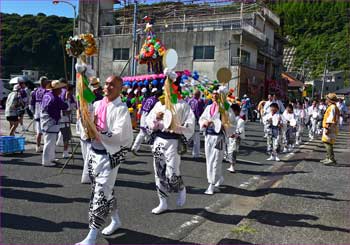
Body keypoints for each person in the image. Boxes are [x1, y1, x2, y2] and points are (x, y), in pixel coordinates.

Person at [76, 76, 133, 245]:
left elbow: (119, 135)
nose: (108, 87)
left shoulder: (121, 109)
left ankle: (92, 235)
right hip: (94, 153)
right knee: (104, 190)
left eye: (113, 85)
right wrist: (83, 119)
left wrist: (97, 130)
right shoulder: (97, 104)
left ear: (120, 89)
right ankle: (115, 219)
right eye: (106, 84)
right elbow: (86, 130)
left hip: (110, 156)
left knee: (100, 194)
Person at [146, 75, 195, 214]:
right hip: (159, 140)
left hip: (174, 141)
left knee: (172, 171)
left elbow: (190, 124)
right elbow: (149, 121)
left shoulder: (182, 105)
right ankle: (163, 202)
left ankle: (180, 188)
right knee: (159, 171)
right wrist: (156, 118)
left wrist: (178, 127)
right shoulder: (159, 104)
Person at [199, 89, 234, 195]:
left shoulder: (226, 107)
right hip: (208, 136)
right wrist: (205, 123)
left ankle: (212, 184)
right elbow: (202, 118)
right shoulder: (209, 107)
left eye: (217, 95)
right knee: (209, 160)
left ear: (221, 96)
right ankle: (218, 177)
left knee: (216, 160)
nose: (214, 96)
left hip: (219, 138)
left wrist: (225, 126)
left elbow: (232, 122)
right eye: (213, 94)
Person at [41, 80, 69, 166]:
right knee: (49, 142)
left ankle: (51, 158)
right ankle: (46, 161)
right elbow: (65, 106)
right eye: (60, 88)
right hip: (51, 122)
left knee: (51, 141)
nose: (61, 90)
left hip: (45, 120)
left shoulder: (47, 95)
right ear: (56, 89)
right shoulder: (55, 98)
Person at [131, 88, 160, 155]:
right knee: (152, 135)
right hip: (148, 119)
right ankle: (155, 151)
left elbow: (141, 109)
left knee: (142, 134)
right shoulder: (155, 102)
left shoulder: (148, 99)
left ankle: (134, 148)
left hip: (143, 117)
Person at [320, 93, 340, 165]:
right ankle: (328, 157)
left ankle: (331, 159)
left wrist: (327, 128)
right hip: (332, 127)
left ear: (329, 100)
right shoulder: (333, 107)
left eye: (327, 98)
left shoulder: (332, 107)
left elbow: (330, 119)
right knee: (328, 142)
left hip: (330, 127)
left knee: (327, 142)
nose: (326, 100)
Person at [58, 79, 76, 158]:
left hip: (63, 119)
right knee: (66, 136)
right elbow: (63, 108)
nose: (72, 92)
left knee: (65, 136)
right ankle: (65, 152)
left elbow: (73, 105)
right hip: (63, 119)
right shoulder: (63, 95)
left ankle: (64, 151)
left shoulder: (67, 96)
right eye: (72, 91)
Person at [30, 76, 49, 152]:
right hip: (44, 114)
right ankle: (45, 147)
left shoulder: (35, 91)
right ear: (44, 82)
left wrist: (33, 113)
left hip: (37, 114)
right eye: (46, 82)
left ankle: (38, 147)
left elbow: (31, 104)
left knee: (39, 132)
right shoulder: (47, 91)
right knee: (46, 131)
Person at [227, 103, 245, 173]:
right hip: (229, 137)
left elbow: (240, 131)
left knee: (233, 151)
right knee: (229, 150)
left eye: (232, 111)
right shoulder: (230, 120)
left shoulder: (240, 121)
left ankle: (232, 166)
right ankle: (231, 165)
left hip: (235, 138)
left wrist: (235, 135)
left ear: (237, 111)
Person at [187, 90, 205, 158]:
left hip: (189, 121)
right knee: (196, 138)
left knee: (188, 136)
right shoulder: (197, 102)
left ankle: (181, 149)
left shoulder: (189, 101)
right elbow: (198, 112)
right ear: (198, 95)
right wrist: (199, 121)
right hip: (195, 121)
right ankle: (196, 154)